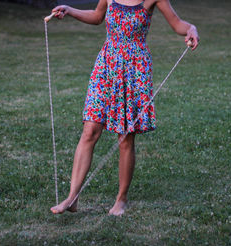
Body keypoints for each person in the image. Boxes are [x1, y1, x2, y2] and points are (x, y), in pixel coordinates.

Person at [48, 0, 199, 216]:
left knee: (125, 138)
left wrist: (191, 29)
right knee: (90, 129)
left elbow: (177, 24)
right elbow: (98, 16)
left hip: (134, 69)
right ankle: (72, 197)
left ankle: (121, 199)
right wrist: (70, 10)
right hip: (106, 65)